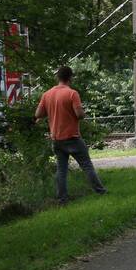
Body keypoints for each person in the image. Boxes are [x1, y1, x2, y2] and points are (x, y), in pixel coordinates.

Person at [35, 65, 107, 204]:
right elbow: (79, 114)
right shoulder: (72, 93)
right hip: (72, 137)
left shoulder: (47, 94)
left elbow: (38, 114)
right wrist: (81, 111)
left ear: (58, 77)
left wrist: (50, 111)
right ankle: (100, 191)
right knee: (87, 165)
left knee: (61, 170)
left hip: (56, 138)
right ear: (70, 77)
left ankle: (62, 199)